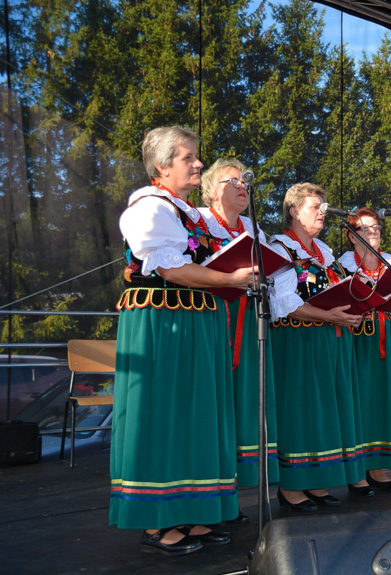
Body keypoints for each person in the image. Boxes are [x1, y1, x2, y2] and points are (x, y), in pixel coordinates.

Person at [112, 126, 256, 555]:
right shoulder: (150, 207)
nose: (197, 164)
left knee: (195, 416)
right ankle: (158, 521)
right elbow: (170, 268)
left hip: (195, 320)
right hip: (164, 322)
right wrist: (230, 278)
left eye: (196, 157)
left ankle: (192, 511)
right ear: (162, 166)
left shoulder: (185, 211)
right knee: (166, 414)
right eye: (188, 158)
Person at [267, 183, 368, 512]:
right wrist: (329, 315)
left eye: (324, 207)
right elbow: (283, 302)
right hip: (297, 340)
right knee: (300, 409)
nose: (322, 213)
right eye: (315, 207)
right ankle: (292, 486)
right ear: (295, 212)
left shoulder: (324, 251)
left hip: (327, 337)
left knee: (325, 411)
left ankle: (317, 480)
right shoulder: (281, 248)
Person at [199, 159, 281, 499]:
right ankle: (208, 493)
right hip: (212, 318)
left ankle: (229, 495)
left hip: (248, 322)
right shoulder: (200, 223)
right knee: (214, 406)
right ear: (212, 191)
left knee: (244, 404)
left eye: (244, 180)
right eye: (231, 180)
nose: (241, 185)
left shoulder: (253, 229)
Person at [338, 208, 391, 493]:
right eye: (366, 228)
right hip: (361, 338)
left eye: (377, 227)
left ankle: (378, 466)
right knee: (362, 401)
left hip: (390, 335)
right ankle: (358, 471)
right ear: (352, 236)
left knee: (385, 401)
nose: (374, 231)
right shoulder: (342, 263)